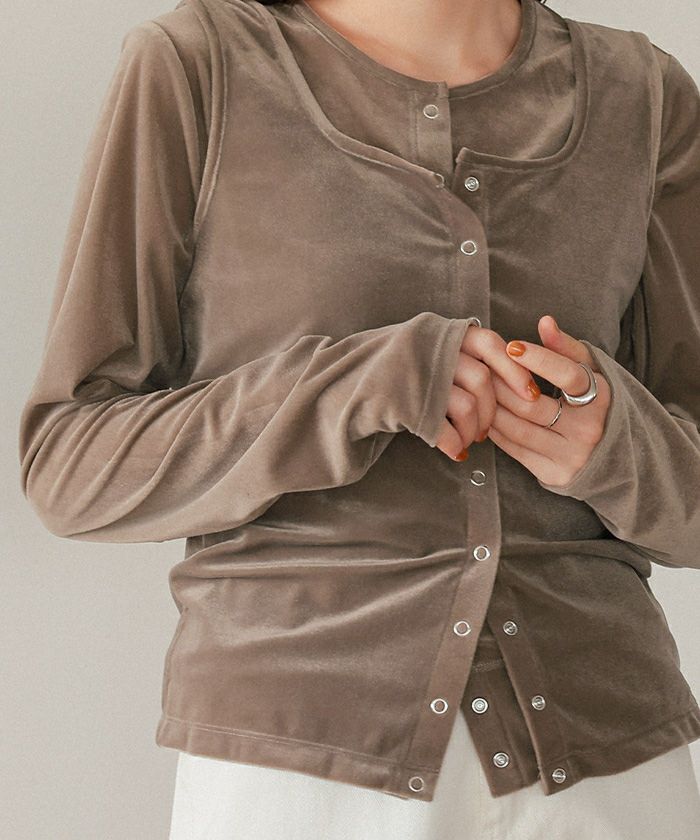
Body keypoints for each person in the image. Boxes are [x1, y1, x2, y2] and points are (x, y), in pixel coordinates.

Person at [18, 0, 700, 838]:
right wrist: (354, 387)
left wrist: (616, 444)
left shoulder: (645, 94)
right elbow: (71, 465)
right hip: (301, 767)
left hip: (609, 770)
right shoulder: (198, 65)